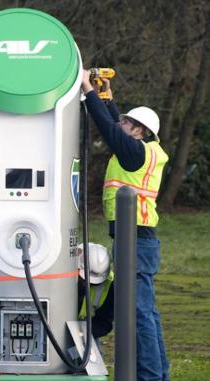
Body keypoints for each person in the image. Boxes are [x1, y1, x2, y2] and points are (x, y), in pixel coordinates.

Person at [81, 70, 169, 381]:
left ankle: (149, 377)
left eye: (129, 123)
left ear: (140, 131)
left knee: (139, 314)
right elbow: (117, 124)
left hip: (135, 240)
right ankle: (158, 374)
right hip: (139, 240)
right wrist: (108, 98)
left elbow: (108, 128)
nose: (123, 124)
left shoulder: (133, 151)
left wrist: (87, 88)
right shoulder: (141, 148)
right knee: (147, 312)